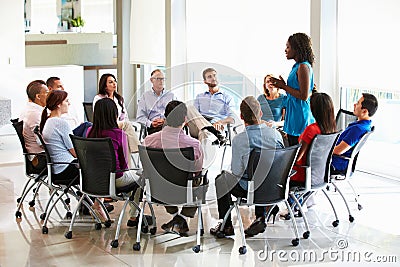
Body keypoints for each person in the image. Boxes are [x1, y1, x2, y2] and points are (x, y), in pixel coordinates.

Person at [210, 96, 284, 238]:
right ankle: (260, 216)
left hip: (251, 190)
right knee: (263, 174)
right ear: (261, 113)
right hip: (274, 187)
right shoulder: (276, 135)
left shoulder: (239, 140)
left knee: (221, 179)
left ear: (242, 117)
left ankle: (226, 226)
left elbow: (237, 172)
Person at [143, 100, 204, 236]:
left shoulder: (149, 141)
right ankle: (182, 218)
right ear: (185, 119)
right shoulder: (194, 145)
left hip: (158, 191)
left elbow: (146, 168)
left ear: (165, 118)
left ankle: (177, 217)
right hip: (183, 191)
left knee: (161, 176)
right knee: (202, 181)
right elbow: (197, 172)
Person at [87, 98, 143, 225]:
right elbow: (123, 166)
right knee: (141, 176)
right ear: (114, 114)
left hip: (93, 180)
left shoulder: (90, 132)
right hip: (115, 180)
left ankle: (98, 206)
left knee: (131, 178)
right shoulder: (118, 134)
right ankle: (134, 216)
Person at [270, 33, 315, 146]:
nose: (285, 50)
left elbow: (304, 95)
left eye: (288, 47)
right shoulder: (297, 66)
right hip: (294, 113)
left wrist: (283, 86)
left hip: (299, 115)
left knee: (295, 151)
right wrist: (283, 85)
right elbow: (296, 91)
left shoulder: (303, 67)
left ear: (297, 48)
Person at [290, 92, 337, 184]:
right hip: (319, 174)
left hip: (302, 175)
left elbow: (297, 157)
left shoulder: (311, 130)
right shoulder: (331, 128)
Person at [331, 93, 378, 177]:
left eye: (358, 103)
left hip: (335, 164)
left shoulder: (357, 129)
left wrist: (322, 149)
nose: (354, 105)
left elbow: (338, 151)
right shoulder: (365, 125)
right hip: (340, 162)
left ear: (364, 111)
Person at [93, 73, 139, 153]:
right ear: (104, 85)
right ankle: (137, 148)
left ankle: (133, 151)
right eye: (110, 82)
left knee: (126, 132)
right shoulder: (99, 98)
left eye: (115, 81)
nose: (114, 84)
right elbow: (98, 115)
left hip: (118, 124)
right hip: (106, 124)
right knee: (127, 125)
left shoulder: (119, 99)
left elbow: (125, 116)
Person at [19, 80, 48, 173]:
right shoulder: (35, 114)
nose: (50, 95)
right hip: (40, 158)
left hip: (37, 155)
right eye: (47, 93)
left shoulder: (30, 110)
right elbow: (41, 142)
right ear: (38, 96)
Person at [193, 67, 235, 132]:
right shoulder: (199, 97)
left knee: (205, 134)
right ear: (205, 81)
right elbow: (194, 115)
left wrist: (221, 122)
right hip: (200, 125)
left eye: (214, 75)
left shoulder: (227, 97)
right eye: (209, 77)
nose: (213, 78)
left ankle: (208, 130)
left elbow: (232, 118)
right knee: (190, 108)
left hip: (216, 127)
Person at [136, 69, 176, 135]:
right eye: (158, 79)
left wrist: (166, 121)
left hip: (169, 125)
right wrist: (150, 123)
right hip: (153, 127)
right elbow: (140, 117)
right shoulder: (145, 96)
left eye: (163, 79)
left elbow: (177, 113)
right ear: (152, 80)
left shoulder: (171, 95)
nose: (161, 81)